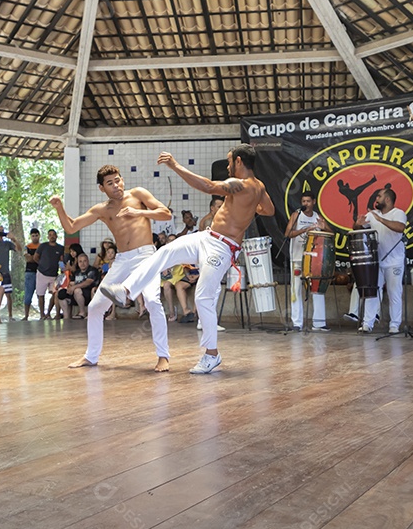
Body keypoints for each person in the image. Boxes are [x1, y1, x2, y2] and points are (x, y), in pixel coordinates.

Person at [101, 144, 274, 374]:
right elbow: (269, 210)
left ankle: (212, 355)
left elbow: (208, 186)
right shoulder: (259, 187)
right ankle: (127, 291)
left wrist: (175, 165)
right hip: (206, 237)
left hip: (222, 248)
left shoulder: (241, 184)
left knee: (203, 297)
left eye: (230, 161)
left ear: (240, 161)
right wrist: (250, 209)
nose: (228, 165)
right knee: (165, 252)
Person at [49, 165, 172, 371]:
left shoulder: (138, 194)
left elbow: (165, 213)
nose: (116, 186)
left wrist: (138, 212)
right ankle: (91, 356)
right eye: (110, 183)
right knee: (95, 307)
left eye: (118, 180)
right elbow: (71, 227)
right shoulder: (101, 210)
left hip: (146, 255)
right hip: (123, 260)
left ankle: (163, 356)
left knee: (152, 300)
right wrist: (60, 207)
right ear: (101, 188)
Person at [357, 187, 408, 334]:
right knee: (372, 292)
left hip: (394, 261)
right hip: (376, 261)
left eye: (379, 196)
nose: (376, 199)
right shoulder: (372, 215)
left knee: (394, 293)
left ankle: (394, 325)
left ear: (387, 199)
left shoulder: (398, 213)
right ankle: (367, 324)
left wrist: (380, 219)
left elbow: (400, 228)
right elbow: (357, 228)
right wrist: (358, 223)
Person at [284, 191, 330, 332]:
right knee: (296, 290)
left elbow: (330, 233)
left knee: (316, 289)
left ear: (314, 202)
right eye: (303, 201)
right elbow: (288, 234)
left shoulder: (317, 217)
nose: (305, 204)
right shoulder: (296, 215)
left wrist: (324, 227)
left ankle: (319, 323)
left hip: (313, 260)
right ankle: (297, 323)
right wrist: (304, 230)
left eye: (308, 201)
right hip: (298, 258)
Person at [0, 226, 21, 322]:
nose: (0, 233)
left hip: (5, 271)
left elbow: (19, 249)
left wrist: (14, 239)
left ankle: (10, 315)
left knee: (8, 294)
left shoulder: (7, 243)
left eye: (2, 231)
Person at [57, 253, 99, 320]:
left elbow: (88, 282)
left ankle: (82, 313)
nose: (82, 263)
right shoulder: (76, 272)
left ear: (88, 261)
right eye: (80, 261)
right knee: (61, 293)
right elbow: (71, 283)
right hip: (76, 295)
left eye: (84, 261)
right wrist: (69, 289)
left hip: (88, 294)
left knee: (77, 290)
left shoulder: (92, 270)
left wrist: (74, 287)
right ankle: (66, 316)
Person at [34, 229, 64, 319]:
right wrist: (42, 265)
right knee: (40, 294)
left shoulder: (60, 248)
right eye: (50, 235)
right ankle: (42, 315)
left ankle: (49, 313)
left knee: (55, 294)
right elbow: (35, 257)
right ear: (48, 237)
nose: (52, 236)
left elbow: (61, 260)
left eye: (53, 234)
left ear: (56, 236)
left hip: (54, 275)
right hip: (42, 273)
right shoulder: (43, 246)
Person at [22, 228, 41, 319]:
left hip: (40, 273)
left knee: (40, 294)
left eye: (36, 235)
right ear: (30, 236)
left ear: (39, 236)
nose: (35, 237)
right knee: (28, 295)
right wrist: (36, 258)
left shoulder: (42, 246)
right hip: (30, 273)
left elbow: (43, 259)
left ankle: (42, 315)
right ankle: (26, 315)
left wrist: (33, 257)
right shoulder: (27, 247)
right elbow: (28, 259)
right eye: (33, 236)